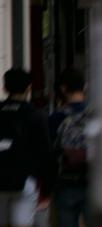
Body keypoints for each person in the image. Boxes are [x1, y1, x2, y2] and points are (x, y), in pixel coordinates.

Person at [0, 68, 54, 227]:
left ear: (5, 88)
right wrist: (47, 188)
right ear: (29, 87)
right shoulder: (35, 115)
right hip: (25, 181)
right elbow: (45, 153)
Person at [48, 68, 89, 227]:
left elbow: (48, 150)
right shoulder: (95, 114)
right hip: (92, 180)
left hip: (65, 182)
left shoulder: (56, 118)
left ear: (63, 89)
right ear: (84, 87)